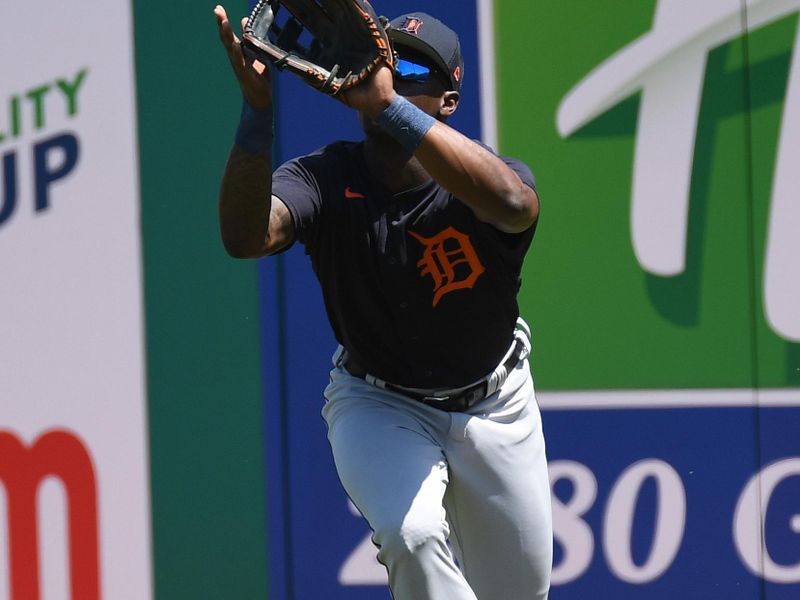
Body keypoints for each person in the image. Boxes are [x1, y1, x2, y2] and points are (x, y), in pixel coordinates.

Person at [214, 5, 553, 599]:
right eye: (387, 61)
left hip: (495, 404)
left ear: (449, 101)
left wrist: (386, 104)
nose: (390, 75)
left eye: (414, 74)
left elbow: (513, 204)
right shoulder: (324, 177)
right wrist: (256, 112)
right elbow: (246, 239)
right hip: (379, 403)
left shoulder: (479, 180)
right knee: (412, 534)